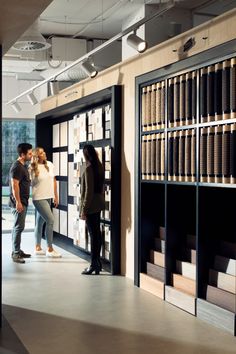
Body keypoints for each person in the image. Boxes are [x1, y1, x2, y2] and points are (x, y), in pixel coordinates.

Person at [29, 147, 61, 258]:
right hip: (38, 198)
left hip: (48, 197)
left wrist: (56, 196)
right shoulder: (32, 168)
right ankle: (50, 248)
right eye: (42, 153)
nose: (45, 154)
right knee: (50, 220)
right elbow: (28, 183)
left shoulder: (50, 164)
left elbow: (54, 181)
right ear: (37, 156)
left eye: (44, 151)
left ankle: (37, 247)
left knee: (40, 223)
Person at [80, 144, 105, 275]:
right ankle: (97, 263)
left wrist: (83, 209)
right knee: (96, 234)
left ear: (85, 154)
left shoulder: (88, 168)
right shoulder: (99, 166)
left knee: (93, 235)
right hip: (98, 203)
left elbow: (87, 191)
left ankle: (93, 264)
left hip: (91, 205)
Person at [9, 143, 33, 263]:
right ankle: (16, 253)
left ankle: (17, 250)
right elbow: (15, 185)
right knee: (18, 227)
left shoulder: (23, 166)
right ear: (22, 154)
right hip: (19, 202)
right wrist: (18, 202)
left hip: (23, 201)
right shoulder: (17, 166)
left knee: (19, 227)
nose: (31, 154)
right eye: (29, 153)